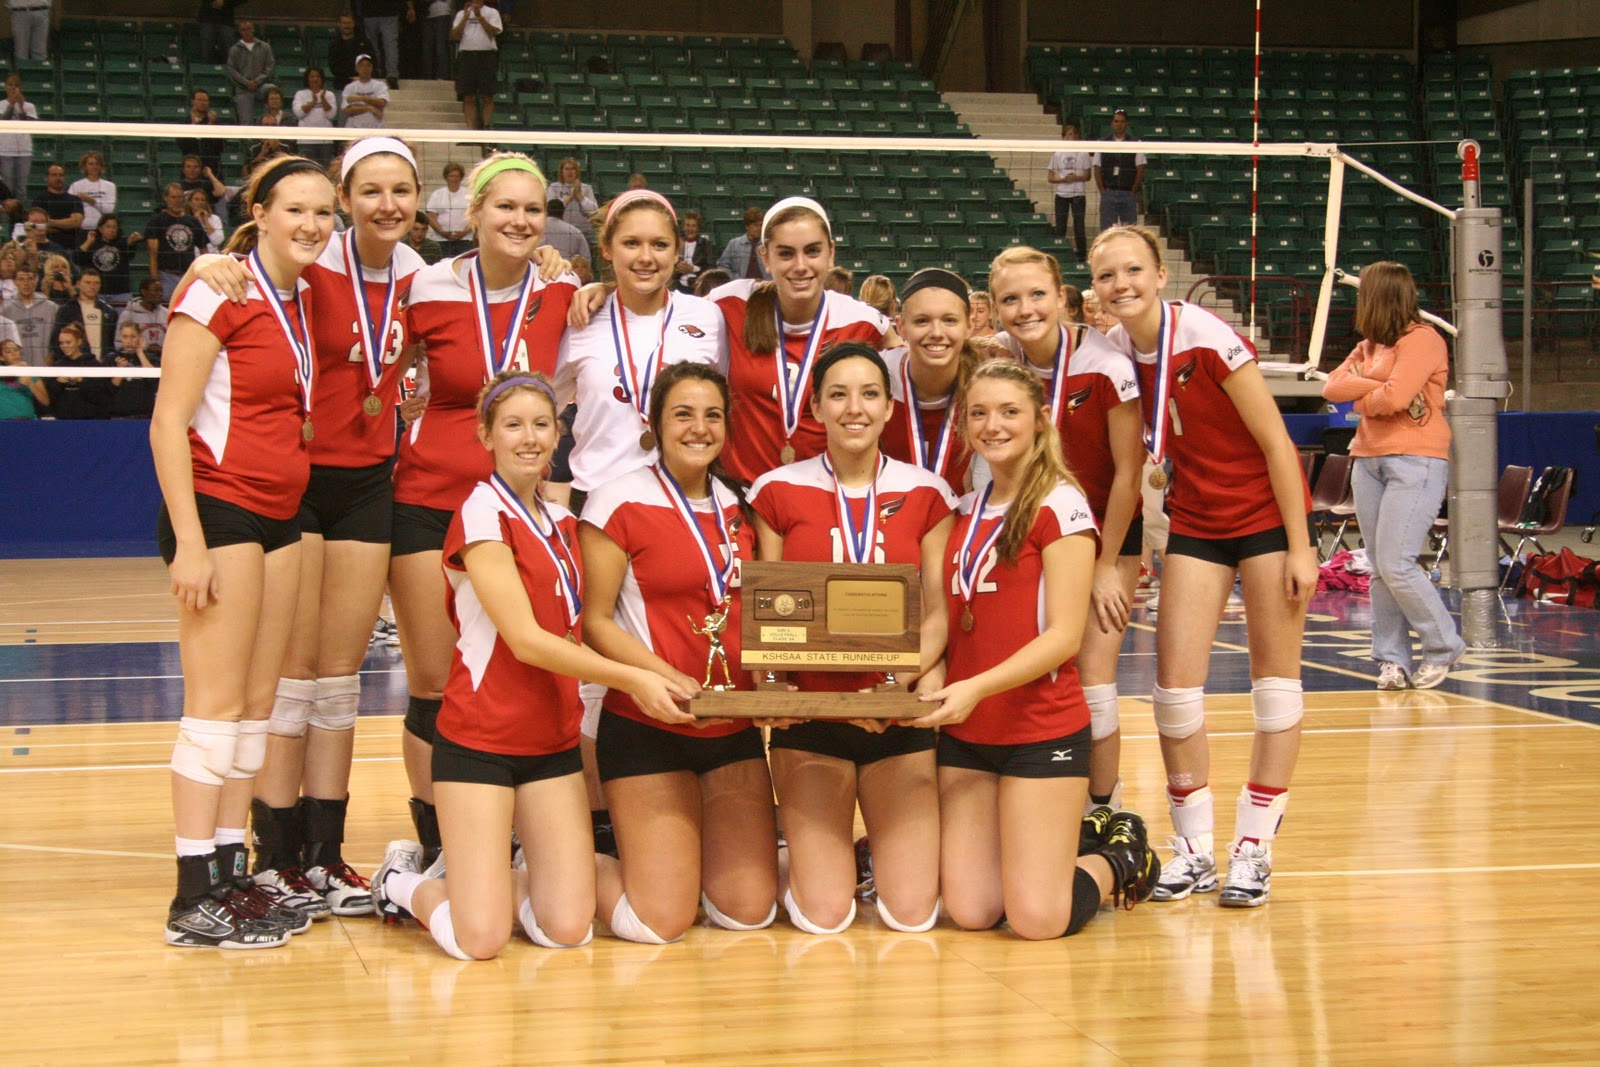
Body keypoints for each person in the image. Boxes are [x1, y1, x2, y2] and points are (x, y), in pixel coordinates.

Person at [182, 137, 432, 918]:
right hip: (296, 480)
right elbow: (234, 277)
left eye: (403, 190)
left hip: (367, 482)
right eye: (370, 191)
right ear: (347, 199)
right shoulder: (312, 261)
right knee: (282, 679)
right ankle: (273, 848)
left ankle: (325, 853)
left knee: (338, 678)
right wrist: (201, 266)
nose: (386, 204)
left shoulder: (426, 278)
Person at [372, 370, 689, 959]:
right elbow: (526, 641)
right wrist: (637, 678)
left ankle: (494, 882)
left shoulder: (564, 522)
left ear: (558, 434)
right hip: (479, 742)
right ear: (486, 435)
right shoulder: (479, 516)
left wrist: (667, 670)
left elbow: (598, 622)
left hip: (550, 743)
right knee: (480, 940)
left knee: (568, 926)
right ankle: (400, 882)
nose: (529, 438)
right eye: (513, 425)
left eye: (541, 425)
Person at [1091, 224, 1314, 908]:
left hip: (1266, 520)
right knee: (1173, 692)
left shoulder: (1208, 338)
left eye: (1133, 270)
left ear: (1161, 275)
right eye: (1107, 275)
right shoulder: (1110, 349)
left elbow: (1277, 443)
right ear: (1093, 288)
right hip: (1196, 521)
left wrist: (1303, 544)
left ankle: (1255, 846)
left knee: (1275, 687)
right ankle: (1193, 849)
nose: (1121, 284)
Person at [151, 154, 337, 949]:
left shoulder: (302, 296)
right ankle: (192, 893)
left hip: (282, 516)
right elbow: (166, 422)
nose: (311, 225)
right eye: (295, 209)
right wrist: (190, 542)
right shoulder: (215, 288)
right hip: (219, 513)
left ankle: (232, 873)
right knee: (215, 710)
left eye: (324, 213)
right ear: (258, 212)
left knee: (257, 708)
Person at [908, 357, 1157, 938]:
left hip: (1040, 733)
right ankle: (1043, 861)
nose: (993, 425)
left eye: (1009, 412)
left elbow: (1063, 638)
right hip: (968, 736)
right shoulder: (962, 512)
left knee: (1038, 920)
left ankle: (1118, 858)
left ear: (1042, 421)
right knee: (971, 912)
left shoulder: (1061, 505)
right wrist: (904, 678)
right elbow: (946, 620)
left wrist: (972, 687)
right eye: (979, 413)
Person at [388, 152, 577, 877]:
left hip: (523, 516)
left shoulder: (563, 294)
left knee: (521, 669)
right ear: (473, 213)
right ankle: (439, 841)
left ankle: (514, 829)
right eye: (506, 208)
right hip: (430, 500)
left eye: (534, 210)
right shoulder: (425, 286)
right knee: (436, 681)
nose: (521, 221)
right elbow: (380, 355)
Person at [747, 343, 953, 935]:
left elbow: (937, 611)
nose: (853, 408)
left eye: (869, 394)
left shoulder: (928, 492)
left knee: (911, 914)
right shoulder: (776, 490)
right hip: (811, 720)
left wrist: (895, 686)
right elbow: (768, 613)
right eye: (838, 394)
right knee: (824, 914)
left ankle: (866, 854)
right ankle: (816, 858)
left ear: (890, 407)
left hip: (897, 719)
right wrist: (775, 686)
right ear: (816, 405)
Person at [578, 362, 779, 943]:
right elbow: (594, 621)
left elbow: (768, 612)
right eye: (683, 414)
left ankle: (679, 866)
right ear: (654, 424)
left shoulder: (743, 504)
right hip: (649, 724)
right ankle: (553, 864)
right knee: (662, 920)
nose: (699, 427)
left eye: (712, 414)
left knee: (748, 908)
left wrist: (773, 683)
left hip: (731, 728)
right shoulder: (616, 502)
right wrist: (665, 677)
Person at [990, 246, 1143, 813]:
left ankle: (1105, 811)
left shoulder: (1105, 365)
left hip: (1106, 534)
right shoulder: (996, 361)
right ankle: (1042, 804)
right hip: (1032, 537)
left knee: (1094, 684)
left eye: (1036, 295)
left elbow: (1129, 473)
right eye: (1010, 299)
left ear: (1062, 297)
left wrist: (1106, 565)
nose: (1025, 308)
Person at [1322, 261, 1464, 691]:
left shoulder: (1423, 339)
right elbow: (1331, 388)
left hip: (1416, 458)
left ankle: (1442, 645)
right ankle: (1393, 661)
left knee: (1398, 564)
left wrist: (1365, 395)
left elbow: (1397, 396)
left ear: (1378, 296)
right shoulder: (1368, 345)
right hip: (1367, 458)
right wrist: (1379, 391)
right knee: (1382, 567)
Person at [708, 197, 891, 481]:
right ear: (765, 257)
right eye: (786, 254)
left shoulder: (861, 321)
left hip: (821, 495)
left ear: (831, 254)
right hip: (741, 493)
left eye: (813, 251)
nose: (800, 265)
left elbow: (911, 362)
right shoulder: (731, 303)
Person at [881, 268, 981, 496]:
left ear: (969, 325)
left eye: (949, 320)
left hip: (954, 518)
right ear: (901, 325)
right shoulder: (877, 376)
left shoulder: (983, 385)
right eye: (922, 321)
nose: (936, 332)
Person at [146, 183, 208, 300]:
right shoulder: (156, 221)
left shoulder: (192, 221)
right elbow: (152, 253)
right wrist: (155, 280)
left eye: (179, 197)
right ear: (166, 198)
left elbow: (204, 250)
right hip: (166, 275)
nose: (177, 201)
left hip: (189, 274)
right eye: (173, 197)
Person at [451, 0, 502, 131]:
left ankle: (485, 127)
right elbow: (455, 35)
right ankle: (470, 130)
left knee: (487, 95)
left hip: (486, 55)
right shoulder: (461, 14)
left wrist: (479, 16)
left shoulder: (492, 12)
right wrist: (465, 17)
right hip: (467, 55)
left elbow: (494, 31)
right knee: (468, 96)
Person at [1093, 110, 1145, 230]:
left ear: (1126, 124)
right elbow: (1096, 167)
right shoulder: (1102, 143)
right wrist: (1102, 190)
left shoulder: (1136, 143)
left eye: (1122, 122)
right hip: (1109, 193)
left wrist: (1133, 190)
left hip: (1128, 194)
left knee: (1130, 233)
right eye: (1116, 121)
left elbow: (1140, 168)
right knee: (1106, 232)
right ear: (1112, 124)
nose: (1119, 124)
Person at [1047, 121, 1091, 260]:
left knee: (1079, 226)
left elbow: (1088, 176)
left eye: (1073, 134)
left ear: (1077, 136)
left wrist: (1076, 177)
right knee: (1060, 227)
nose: (1070, 137)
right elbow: (1050, 177)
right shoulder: (1057, 154)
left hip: (1078, 194)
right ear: (1063, 137)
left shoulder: (1083, 153)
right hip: (1061, 195)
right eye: (1068, 135)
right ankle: (1059, 254)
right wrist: (1063, 180)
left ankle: (1082, 255)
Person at [45, 322, 107, 419]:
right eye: (61, 343)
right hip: (63, 421)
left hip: (88, 421)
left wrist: (81, 381)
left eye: (68, 342)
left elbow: (100, 397)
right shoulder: (57, 366)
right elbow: (49, 398)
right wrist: (58, 383)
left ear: (79, 342)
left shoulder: (93, 365)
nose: (64, 346)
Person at [53, 266, 115, 357]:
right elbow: (56, 341)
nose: (92, 286)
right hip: (76, 366)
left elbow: (112, 342)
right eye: (88, 282)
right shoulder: (66, 310)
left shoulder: (109, 312)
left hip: (103, 366)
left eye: (96, 283)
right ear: (78, 284)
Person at [104, 320, 159, 419]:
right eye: (125, 337)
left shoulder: (150, 358)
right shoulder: (111, 358)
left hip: (145, 417)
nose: (128, 341)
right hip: (118, 417)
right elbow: (109, 390)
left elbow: (154, 381)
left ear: (139, 337)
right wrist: (120, 371)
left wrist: (140, 353)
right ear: (120, 338)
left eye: (133, 336)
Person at [226, 20, 276, 126]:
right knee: (246, 121)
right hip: (243, 88)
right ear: (240, 32)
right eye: (244, 30)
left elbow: (270, 66)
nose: (247, 32)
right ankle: (247, 140)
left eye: (249, 29)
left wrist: (257, 81)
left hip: (262, 85)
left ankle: (272, 121)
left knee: (272, 90)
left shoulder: (264, 47)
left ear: (253, 29)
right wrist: (246, 83)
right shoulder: (234, 49)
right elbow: (231, 70)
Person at [2, 264, 51, 363]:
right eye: (21, 279)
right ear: (15, 282)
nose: (26, 283)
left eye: (30, 279)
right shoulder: (6, 311)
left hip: (46, 368)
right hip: (19, 369)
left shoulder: (51, 307)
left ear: (35, 280)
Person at [293, 68, 340, 168]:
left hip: (325, 139)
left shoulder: (329, 95)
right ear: (307, 79)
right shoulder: (300, 94)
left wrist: (322, 98)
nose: (315, 79)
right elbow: (299, 113)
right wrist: (313, 102)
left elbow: (331, 115)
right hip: (306, 139)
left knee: (325, 168)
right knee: (306, 169)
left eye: (318, 77)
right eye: (312, 77)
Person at [0, 74, 37, 197]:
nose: (13, 88)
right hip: (5, 150)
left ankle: (19, 215)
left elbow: (30, 126)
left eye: (16, 85)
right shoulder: (1, 104)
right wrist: (11, 104)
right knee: (7, 186)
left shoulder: (29, 106)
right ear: (5, 87)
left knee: (21, 188)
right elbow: (3, 121)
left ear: (21, 87)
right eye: (10, 85)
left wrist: (21, 107)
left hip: (24, 151)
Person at [426, 161, 472, 257]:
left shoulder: (469, 194)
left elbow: (475, 216)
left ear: (461, 177)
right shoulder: (437, 194)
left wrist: (463, 233)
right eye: (451, 176)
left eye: (457, 176)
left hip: (465, 240)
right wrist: (443, 233)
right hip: (442, 240)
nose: (454, 179)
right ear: (446, 177)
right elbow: (431, 217)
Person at [546, 159, 597, 244]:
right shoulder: (554, 187)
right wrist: (570, 196)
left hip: (583, 231)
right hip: (560, 231)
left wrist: (580, 195)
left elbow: (594, 211)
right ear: (561, 172)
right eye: (567, 169)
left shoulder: (586, 188)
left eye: (573, 169)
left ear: (577, 172)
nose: (570, 172)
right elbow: (552, 209)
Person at [68, 152, 116, 240]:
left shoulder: (110, 186)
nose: (94, 166)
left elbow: (108, 210)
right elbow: (69, 209)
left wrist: (91, 200)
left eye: (97, 164)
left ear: (101, 166)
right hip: (82, 231)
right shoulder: (76, 186)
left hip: (102, 232)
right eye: (90, 164)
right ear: (84, 166)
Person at [177, 90, 224, 178]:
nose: (203, 103)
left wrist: (211, 125)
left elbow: (220, 147)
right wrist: (193, 128)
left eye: (205, 100)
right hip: (190, 169)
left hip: (211, 169)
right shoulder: (184, 122)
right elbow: (182, 145)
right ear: (193, 101)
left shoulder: (216, 122)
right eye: (199, 100)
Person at [35, 164, 85, 245]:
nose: (58, 178)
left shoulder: (75, 199)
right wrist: (66, 223)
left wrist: (50, 222)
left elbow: (76, 222)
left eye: (61, 175)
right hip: (46, 244)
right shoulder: (40, 199)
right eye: (54, 175)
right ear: (47, 178)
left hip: (71, 245)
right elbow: (38, 225)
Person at [363, 0, 407, 89]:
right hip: (389, 10)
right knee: (390, 46)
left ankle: (374, 71)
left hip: (369, 10)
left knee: (372, 46)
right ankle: (392, 75)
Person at [119, 276, 170, 350]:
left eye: (161, 291)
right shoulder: (128, 315)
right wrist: (146, 348)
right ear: (144, 292)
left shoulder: (166, 313)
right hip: (137, 358)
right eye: (156, 290)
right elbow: (119, 343)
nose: (160, 294)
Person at [716, 206, 767, 280]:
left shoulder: (768, 244)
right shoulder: (734, 244)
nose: (759, 228)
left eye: (761, 225)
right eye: (756, 225)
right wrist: (736, 280)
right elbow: (723, 266)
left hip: (765, 286)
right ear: (747, 226)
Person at [0, 336, 46, 416]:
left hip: (27, 421)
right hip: (4, 423)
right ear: (1, 357)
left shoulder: (29, 373)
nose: (14, 353)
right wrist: (20, 365)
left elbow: (46, 402)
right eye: (8, 352)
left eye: (16, 350)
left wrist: (31, 384)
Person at [327, 14, 374, 92]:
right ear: (339, 24)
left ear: (353, 24)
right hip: (342, 84)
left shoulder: (364, 42)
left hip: (363, 83)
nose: (347, 26)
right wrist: (349, 78)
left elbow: (372, 61)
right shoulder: (334, 45)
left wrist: (361, 76)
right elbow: (333, 66)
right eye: (344, 23)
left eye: (349, 23)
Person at [342, 55, 389, 131]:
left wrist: (361, 99)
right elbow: (348, 110)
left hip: (375, 127)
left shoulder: (380, 85)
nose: (365, 68)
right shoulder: (349, 87)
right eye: (361, 65)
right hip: (354, 128)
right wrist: (369, 107)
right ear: (357, 68)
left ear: (372, 68)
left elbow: (382, 103)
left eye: (368, 65)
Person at [675, 210, 716, 295]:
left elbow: (711, 267)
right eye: (687, 225)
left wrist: (693, 269)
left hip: (698, 285)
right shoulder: (676, 243)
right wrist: (678, 268)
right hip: (677, 284)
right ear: (683, 227)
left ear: (698, 228)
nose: (690, 229)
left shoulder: (706, 244)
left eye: (694, 226)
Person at [195, 0, 244, 65]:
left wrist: (225, 2)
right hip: (207, 17)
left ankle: (228, 73)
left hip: (226, 19)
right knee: (206, 53)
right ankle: (206, 73)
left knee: (228, 53)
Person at [420, 0, 453, 81]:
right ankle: (427, 75)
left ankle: (442, 75)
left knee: (440, 46)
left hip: (442, 13)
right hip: (426, 14)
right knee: (427, 48)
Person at [187, 189, 225, 254]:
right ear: (190, 203)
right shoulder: (186, 220)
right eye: (196, 199)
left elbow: (217, 241)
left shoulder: (214, 218)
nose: (200, 202)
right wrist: (196, 221)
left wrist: (206, 222)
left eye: (203, 200)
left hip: (212, 257)